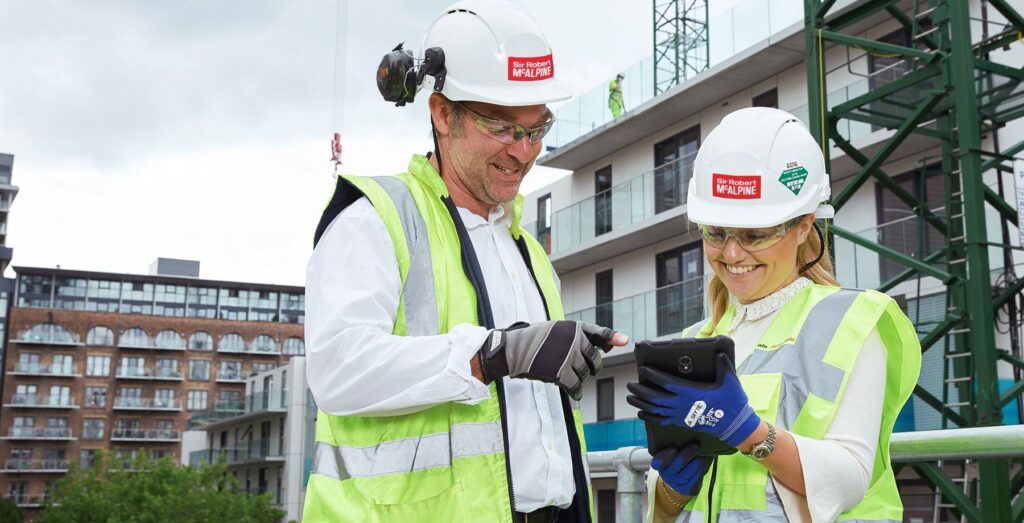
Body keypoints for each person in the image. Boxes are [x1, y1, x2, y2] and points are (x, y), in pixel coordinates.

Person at [302, 2, 628, 521]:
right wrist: (489, 355)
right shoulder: (376, 220)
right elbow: (337, 370)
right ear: (441, 115)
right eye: (502, 127)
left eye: (536, 129)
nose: (524, 153)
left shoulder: (529, 251)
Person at [626, 107, 922, 522]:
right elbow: (667, 512)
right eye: (716, 232)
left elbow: (850, 476)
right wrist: (672, 489)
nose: (731, 254)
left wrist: (748, 432)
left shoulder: (851, 321)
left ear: (804, 225)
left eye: (755, 235)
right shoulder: (697, 338)